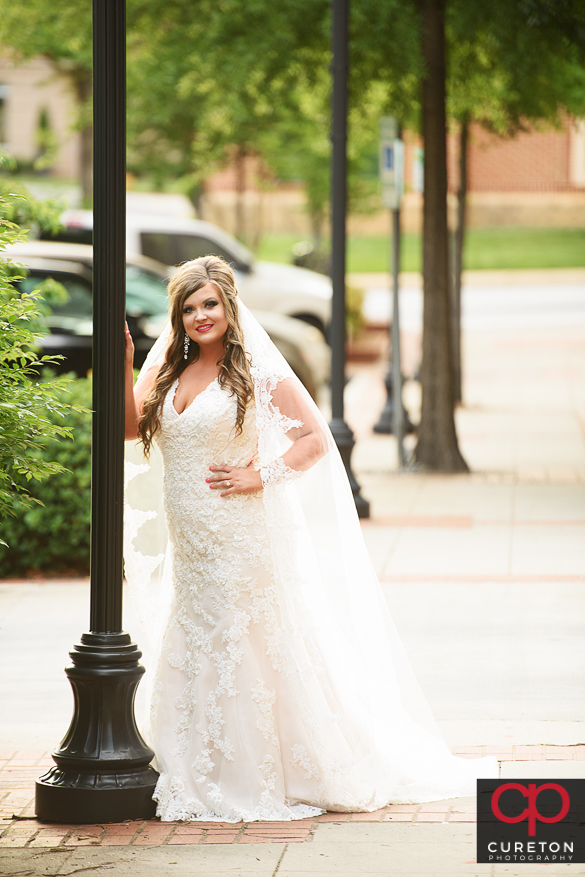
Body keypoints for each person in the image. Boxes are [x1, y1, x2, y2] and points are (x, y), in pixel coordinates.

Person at [124, 255, 497, 823]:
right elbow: (130, 427)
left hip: (239, 535)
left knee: (241, 643)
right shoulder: (169, 373)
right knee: (196, 638)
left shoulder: (250, 373)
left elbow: (312, 438)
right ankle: (195, 763)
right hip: (192, 542)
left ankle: (248, 773)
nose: (201, 315)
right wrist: (123, 363)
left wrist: (259, 474)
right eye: (190, 307)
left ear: (228, 308)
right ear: (177, 315)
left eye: (211, 304)